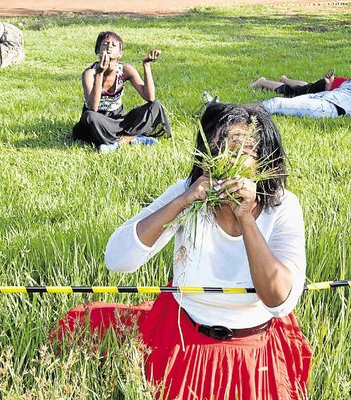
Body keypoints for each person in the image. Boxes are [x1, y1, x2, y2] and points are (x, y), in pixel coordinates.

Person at [54, 103, 311, 399]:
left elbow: (279, 300)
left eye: (242, 148)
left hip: (255, 343)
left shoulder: (281, 204)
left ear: (265, 160)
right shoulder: (188, 192)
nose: (228, 159)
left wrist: (246, 219)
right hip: (183, 334)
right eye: (219, 147)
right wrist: (182, 202)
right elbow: (117, 259)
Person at [71, 31, 171, 153]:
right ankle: (132, 138)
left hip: (119, 120)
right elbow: (93, 107)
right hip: (98, 121)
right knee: (89, 116)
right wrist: (100, 73)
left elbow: (150, 97)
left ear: (120, 54)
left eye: (114, 45)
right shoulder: (90, 73)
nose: (109, 46)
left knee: (155, 106)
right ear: (98, 51)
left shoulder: (125, 70)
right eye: (105, 44)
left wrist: (146, 65)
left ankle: (119, 143)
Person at [251, 69, 351, 97]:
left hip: (333, 84)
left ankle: (285, 79)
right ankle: (262, 82)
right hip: (329, 87)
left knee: (307, 86)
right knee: (291, 92)